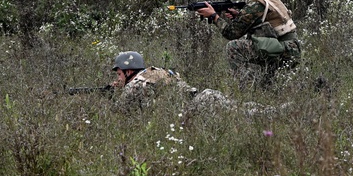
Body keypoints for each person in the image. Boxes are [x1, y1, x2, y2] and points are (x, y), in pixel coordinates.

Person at [196, 0, 300, 87]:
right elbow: (264, 21)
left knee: (233, 47)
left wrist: (214, 17)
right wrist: (240, 16)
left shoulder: (255, 4)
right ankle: (267, 87)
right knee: (260, 47)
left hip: (282, 49)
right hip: (291, 48)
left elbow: (231, 33)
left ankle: (246, 87)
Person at [110, 50, 274, 115]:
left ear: (128, 71)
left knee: (244, 115)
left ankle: (276, 112)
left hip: (199, 108)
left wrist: (115, 92)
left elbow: (118, 112)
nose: (118, 78)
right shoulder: (154, 72)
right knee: (241, 108)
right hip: (204, 96)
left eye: (119, 74)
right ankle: (277, 110)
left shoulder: (135, 84)